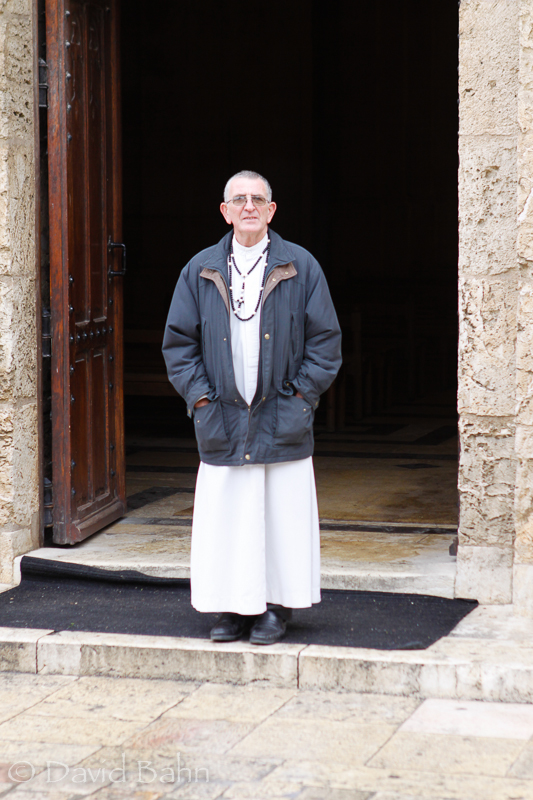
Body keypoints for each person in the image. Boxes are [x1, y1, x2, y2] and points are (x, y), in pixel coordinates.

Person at [163, 170, 341, 645]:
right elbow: (179, 345)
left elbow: (325, 342)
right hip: (220, 416)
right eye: (238, 199)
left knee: (280, 518)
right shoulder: (200, 269)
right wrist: (200, 399)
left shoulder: (301, 266)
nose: (248, 207)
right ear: (224, 211)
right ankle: (229, 609)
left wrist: (301, 397)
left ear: (271, 210)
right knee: (228, 519)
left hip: (281, 414)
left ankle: (275, 610)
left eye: (257, 199)